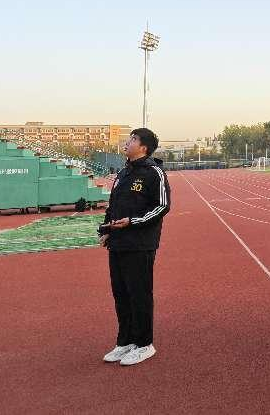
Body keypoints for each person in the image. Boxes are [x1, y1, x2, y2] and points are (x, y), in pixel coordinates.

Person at [98, 128, 171, 366]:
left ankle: (144, 344)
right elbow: (114, 205)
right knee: (121, 294)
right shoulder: (123, 173)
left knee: (139, 294)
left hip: (140, 244)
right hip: (118, 243)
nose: (127, 142)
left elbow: (162, 206)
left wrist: (133, 222)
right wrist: (106, 230)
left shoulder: (154, 172)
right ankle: (126, 341)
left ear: (144, 147)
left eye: (133, 139)